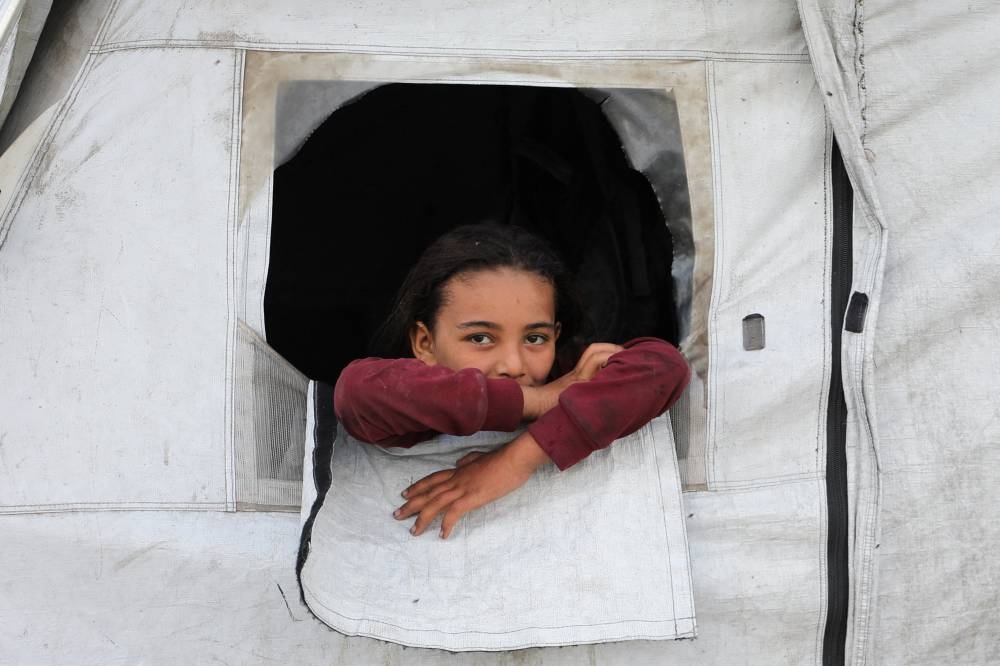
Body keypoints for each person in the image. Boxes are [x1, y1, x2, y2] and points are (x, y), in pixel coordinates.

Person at [334, 223, 690, 539]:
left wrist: (513, 463)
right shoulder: (409, 402)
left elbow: (664, 368)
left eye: (535, 338)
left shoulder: (565, 372)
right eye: (480, 338)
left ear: (556, 334)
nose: (513, 364)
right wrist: (540, 401)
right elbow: (355, 392)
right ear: (425, 343)